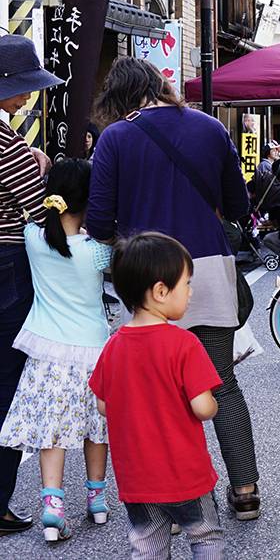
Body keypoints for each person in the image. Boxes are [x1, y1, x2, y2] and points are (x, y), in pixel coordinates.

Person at [88, 57, 261, 520]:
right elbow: (238, 206)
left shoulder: (115, 139)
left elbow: (99, 220)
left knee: (154, 391)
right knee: (220, 384)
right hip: (206, 266)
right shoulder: (209, 128)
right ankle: (244, 489)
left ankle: (172, 501)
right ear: (160, 86)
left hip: (146, 275)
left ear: (119, 97)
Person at [90, 233, 225, 557]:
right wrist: (213, 401)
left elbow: (103, 405)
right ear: (161, 291)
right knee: (205, 536)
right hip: (184, 473)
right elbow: (203, 407)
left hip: (137, 477)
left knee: (147, 543)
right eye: (186, 284)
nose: (190, 293)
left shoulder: (113, 347)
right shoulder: (184, 345)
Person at [0, 159, 112, 544]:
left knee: (53, 430)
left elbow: (30, 219)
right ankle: (97, 501)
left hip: (47, 351)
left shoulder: (33, 239)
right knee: (95, 427)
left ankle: (53, 510)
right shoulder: (97, 251)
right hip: (94, 349)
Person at [0, 34, 61, 536]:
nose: (27, 97)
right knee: (5, 383)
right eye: (20, 89)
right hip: (6, 267)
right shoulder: (6, 144)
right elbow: (40, 212)